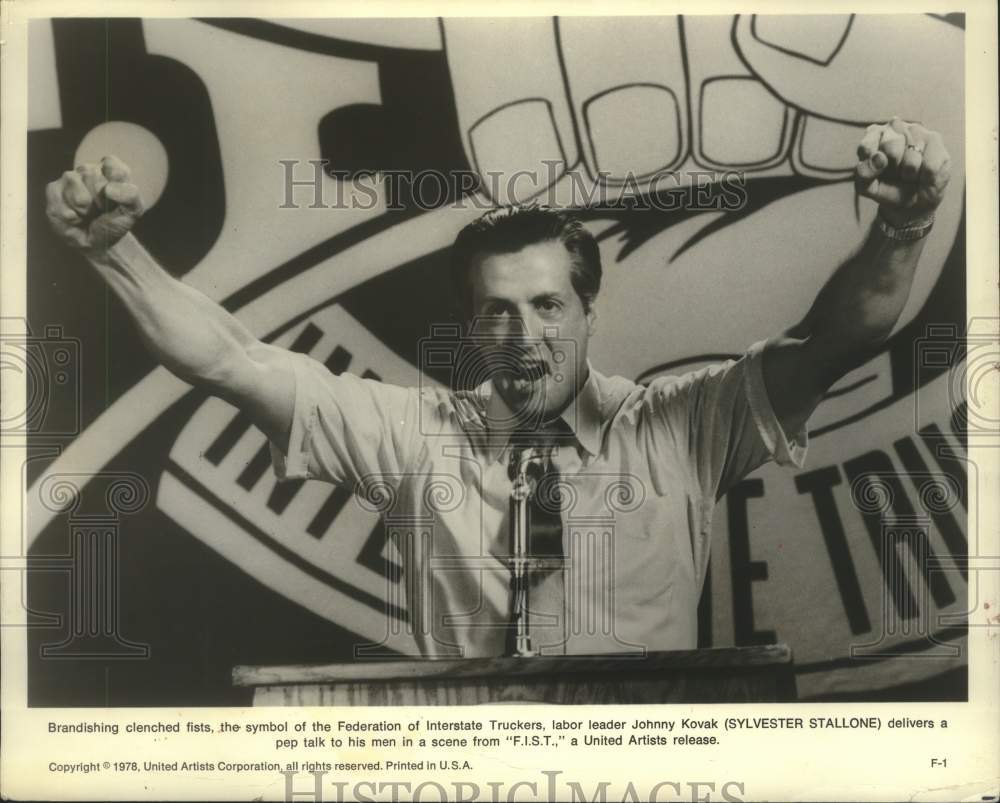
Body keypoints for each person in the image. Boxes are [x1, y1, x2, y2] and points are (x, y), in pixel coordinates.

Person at [45, 118, 951, 659]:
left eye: (549, 304)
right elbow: (229, 359)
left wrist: (905, 222)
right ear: (471, 327)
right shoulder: (411, 432)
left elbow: (838, 335)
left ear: (590, 309)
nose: (525, 337)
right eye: (499, 312)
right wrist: (116, 254)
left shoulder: (683, 425)